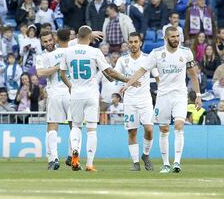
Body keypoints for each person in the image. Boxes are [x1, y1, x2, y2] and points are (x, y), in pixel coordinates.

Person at [122, 26, 202, 173]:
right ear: (165, 38)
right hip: (163, 96)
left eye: (177, 36)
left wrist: (198, 95)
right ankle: (166, 164)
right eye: (172, 37)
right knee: (164, 129)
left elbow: (192, 75)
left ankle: (177, 162)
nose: (176, 39)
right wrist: (127, 84)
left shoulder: (186, 52)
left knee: (179, 125)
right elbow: (142, 70)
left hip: (179, 95)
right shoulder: (157, 53)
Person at [59, 25, 134, 172]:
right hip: (91, 95)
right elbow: (110, 72)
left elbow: (62, 74)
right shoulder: (95, 52)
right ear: (90, 37)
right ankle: (89, 163)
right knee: (92, 130)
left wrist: (70, 86)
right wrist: (127, 80)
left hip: (76, 94)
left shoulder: (68, 51)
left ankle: (75, 151)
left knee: (75, 126)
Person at [114, 32, 159, 171]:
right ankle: (135, 163)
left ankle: (145, 155)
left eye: (135, 42)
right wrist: (127, 81)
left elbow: (157, 77)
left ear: (140, 43)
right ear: (128, 43)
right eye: (131, 42)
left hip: (145, 100)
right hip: (129, 100)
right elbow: (116, 74)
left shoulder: (148, 59)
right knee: (132, 132)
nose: (133, 44)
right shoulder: (122, 60)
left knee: (149, 129)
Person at [36, 30, 71, 170]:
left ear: (54, 39)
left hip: (67, 92)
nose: (48, 43)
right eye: (45, 41)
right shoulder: (44, 56)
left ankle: (68, 157)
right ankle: (55, 159)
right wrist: (59, 66)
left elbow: (41, 72)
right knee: (69, 125)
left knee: (56, 125)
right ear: (41, 42)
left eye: (50, 40)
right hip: (57, 93)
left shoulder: (63, 52)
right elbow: (40, 73)